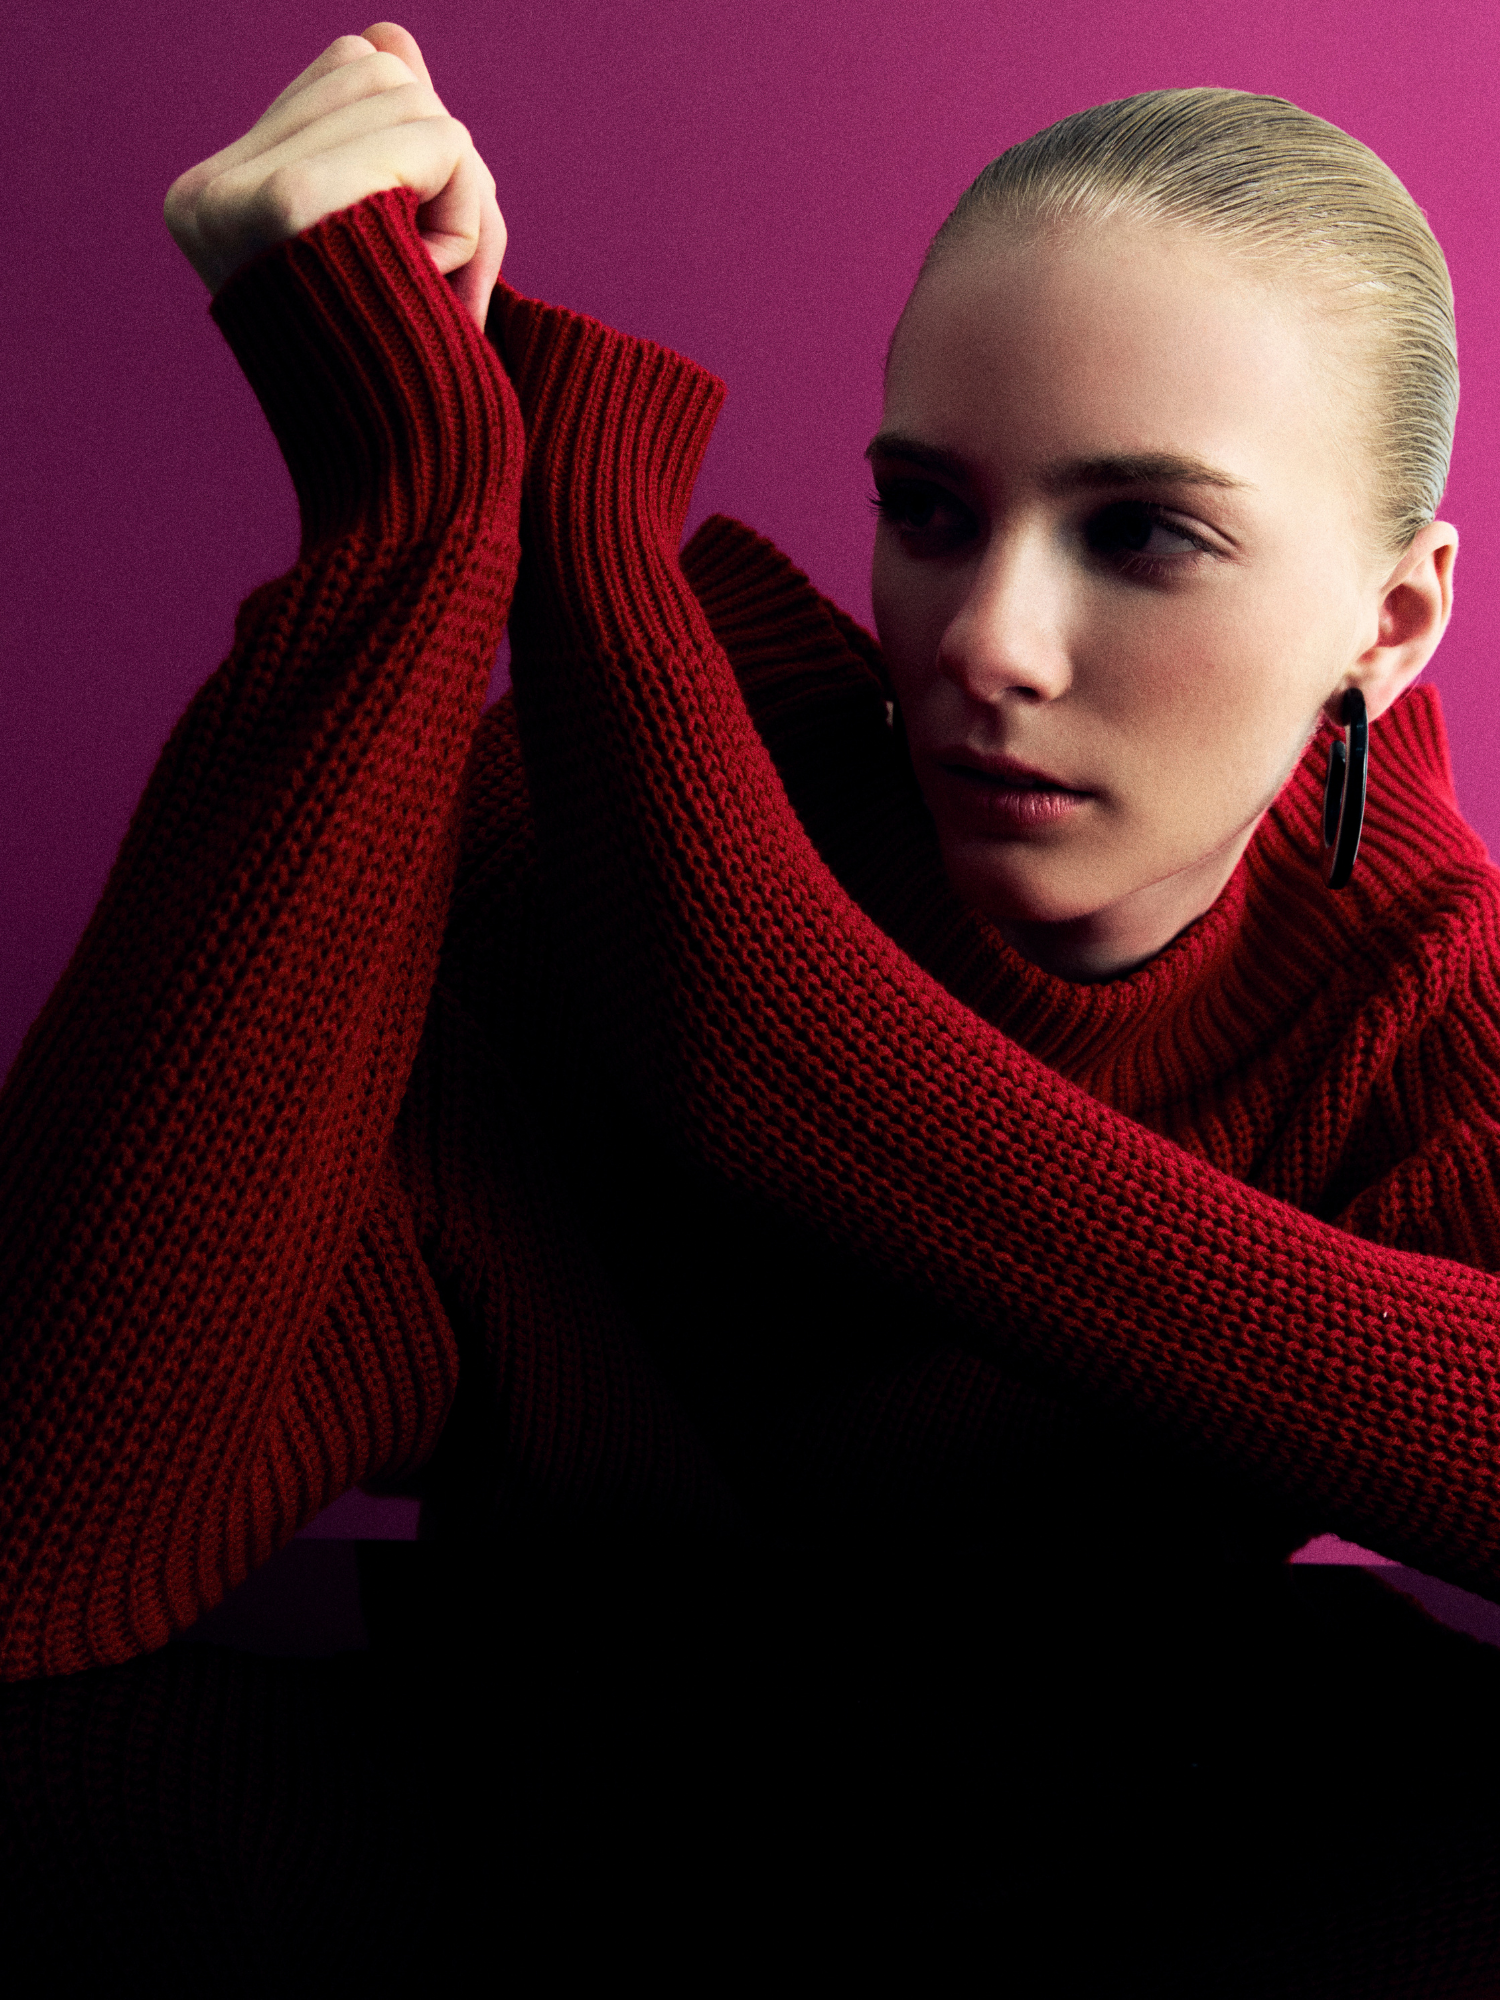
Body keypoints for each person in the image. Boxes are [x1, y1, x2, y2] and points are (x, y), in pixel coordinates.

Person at [1, 18, 1497, 1694]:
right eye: (926, 510)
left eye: (1144, 531)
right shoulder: (573, 841)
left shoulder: (1414, 993)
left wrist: (773, 1054)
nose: (986, 643)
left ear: (1391, 622)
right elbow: (36, 1546)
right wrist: (416, 511)